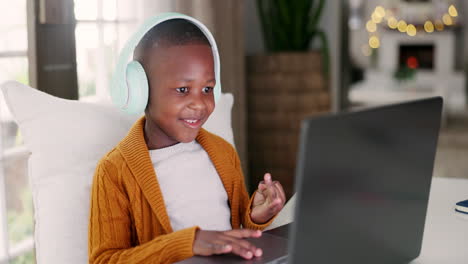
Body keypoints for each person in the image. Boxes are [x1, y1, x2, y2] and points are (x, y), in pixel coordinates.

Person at [88, 15, 286, 264]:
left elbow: (236, 231)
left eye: (207, 89)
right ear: (140, 90)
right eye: (183, 90)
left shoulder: (223, 153)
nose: (200, 104)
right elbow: (104, 260)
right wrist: (188, 243)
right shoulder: (114, 172)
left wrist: (256, 216)